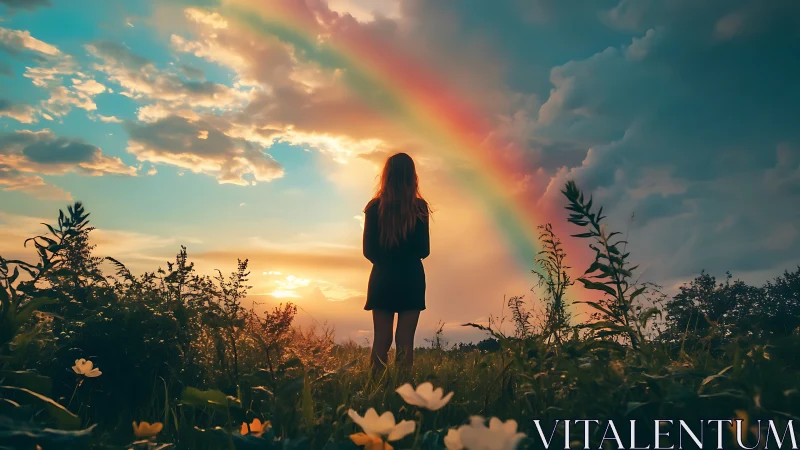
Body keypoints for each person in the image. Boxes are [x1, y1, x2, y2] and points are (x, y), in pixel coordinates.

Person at [362, 152, 431, 375]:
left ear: (386, 176)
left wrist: (386, 261)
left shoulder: (374, 207)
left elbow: (368, 251)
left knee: (381, 340)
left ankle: (375, 390)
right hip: (411, 278)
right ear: (413, 176)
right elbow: (424, 250)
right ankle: (403, 394)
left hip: (382, 278)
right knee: (405, 341)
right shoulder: (420, 207)